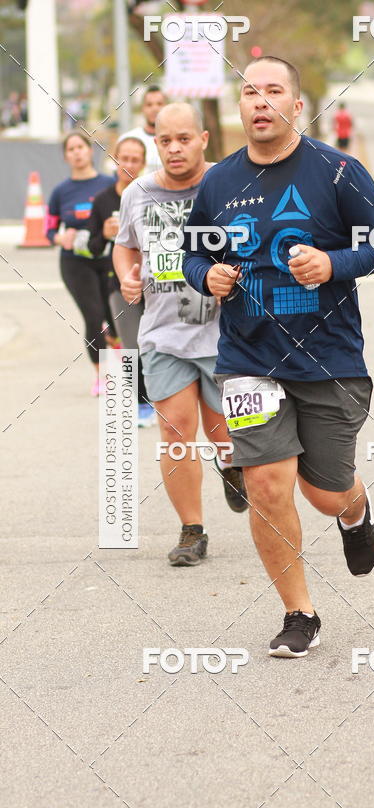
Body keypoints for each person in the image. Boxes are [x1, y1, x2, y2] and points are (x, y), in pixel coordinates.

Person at [182, 56, 374, 658]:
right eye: (249, 92)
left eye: (272, 91)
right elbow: (191, 253)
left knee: (323, 492)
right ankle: (298, 612)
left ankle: (354, 513)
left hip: (330, 359)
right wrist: (209, 276)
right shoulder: (220, 181)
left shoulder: (338, 172)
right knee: (268, 485)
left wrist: (335, 263)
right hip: (248, 358)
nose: (259, 101)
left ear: (297, 105)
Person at [113, 102, 248, 566]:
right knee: (176, 432)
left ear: (203, 139)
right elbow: (125, 247)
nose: (173, 148)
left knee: (222, 432)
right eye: (164, 140)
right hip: (163, 334)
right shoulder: (139, 192)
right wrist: (128, 278)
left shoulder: (229, 184)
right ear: (155, 141)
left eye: (183, 139)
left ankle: (232, 466)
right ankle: (193, 530)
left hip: (224, 334)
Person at [87, 136, 157, 427]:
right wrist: (103, 234)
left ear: (142, 164)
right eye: (123, 158)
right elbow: (90, 248)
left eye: (134, 160)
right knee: (131, 346)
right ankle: (141, 403)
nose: (127, 165)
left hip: (155, 282)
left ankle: (157, 397)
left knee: (155, 344)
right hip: (118, 283)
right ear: (114, 160)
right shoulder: (103, 201)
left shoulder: (151, 194)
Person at [46, 132, 116, 396]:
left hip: (108, 258)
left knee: (115, 317)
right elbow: (49, 228)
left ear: (90, 151)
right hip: (75, 263)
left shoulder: (108, 183)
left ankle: (120, 355)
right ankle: (101, 375)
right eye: (71, 149)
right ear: (66, 156)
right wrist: (58, 238)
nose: (77, 152)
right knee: (93, 316)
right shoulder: (61, 191)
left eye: (81, 147)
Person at [118, 85, 166, 174]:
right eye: (149, 104)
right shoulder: (127, 139)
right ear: (142, 108)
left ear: (166, 106)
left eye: (159, 104)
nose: (154, 109)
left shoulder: (176, 141)